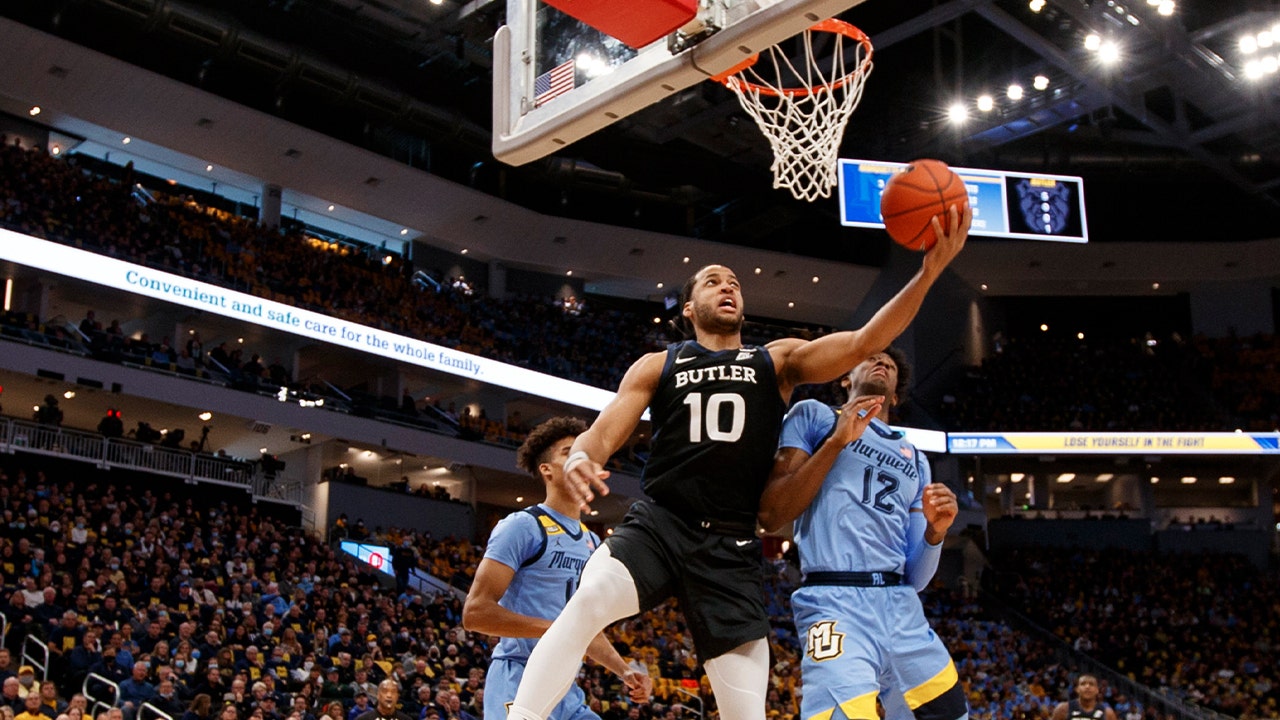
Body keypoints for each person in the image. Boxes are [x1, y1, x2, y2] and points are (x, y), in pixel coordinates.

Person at [505, 205, 971, 720]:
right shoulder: (659, 364)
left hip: (732, 544)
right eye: (712, 282)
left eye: (734, 283)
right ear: (688, 307)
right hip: (661, 523)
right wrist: (583, 459)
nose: (728, 287)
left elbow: (864, 342)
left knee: (745, 710)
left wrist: (927, 275)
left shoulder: (777, 361)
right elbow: (602, 431)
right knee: (584, 607)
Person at [762, 348, 965, 720]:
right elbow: (771, 514)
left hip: (901, 605)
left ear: (897, 395)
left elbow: (917, 578)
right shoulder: (815, 417)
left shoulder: (916, 458)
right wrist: (838, 441)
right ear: (844, 377)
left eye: (890, 362)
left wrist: (936, 532)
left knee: (951, 713)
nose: (883, 362)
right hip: (834, 602)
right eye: (872, 356)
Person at [463, 418, 651, 720]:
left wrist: (624, 670)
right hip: (518, 677)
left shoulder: (592, 541)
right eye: (568, 452)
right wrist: (558, 631)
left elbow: (584, 626)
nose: (580, 459)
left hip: (565, 685)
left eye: (584, 453)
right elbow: (475, 613)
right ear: (546, 470)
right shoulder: (523, 526)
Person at [1051, 675, 1117, 720]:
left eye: (1091, 684)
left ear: (1097, 690)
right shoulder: (1063, 709)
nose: (1087, 687)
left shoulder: (1108, 713)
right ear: (1077, 689)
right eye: (1083, 684)